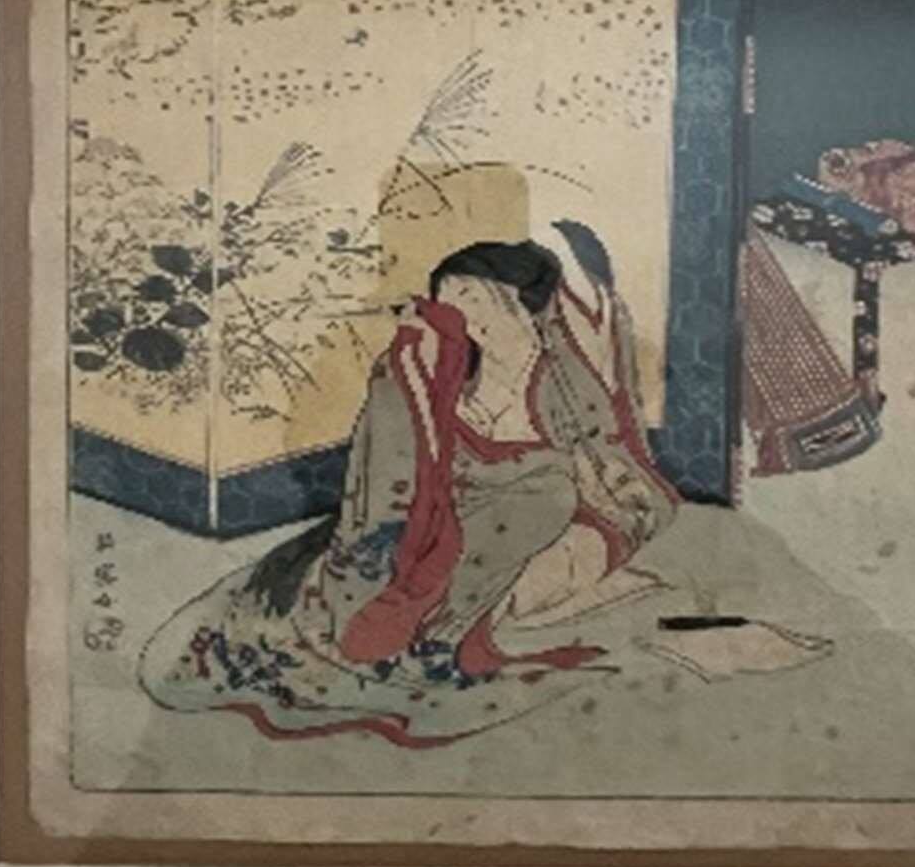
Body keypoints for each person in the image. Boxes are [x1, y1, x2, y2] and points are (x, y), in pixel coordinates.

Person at [139, 237, 682, 744]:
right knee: (340, 612)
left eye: (475, 295)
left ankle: (456, 621)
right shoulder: (423, 363)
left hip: (509, 527)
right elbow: (386, 481)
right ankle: (427, 625)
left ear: (520, 307)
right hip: (420, 522)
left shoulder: (560, 381)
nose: (457, 308)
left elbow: (608, 465)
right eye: (448, 294)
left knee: (554, 502)